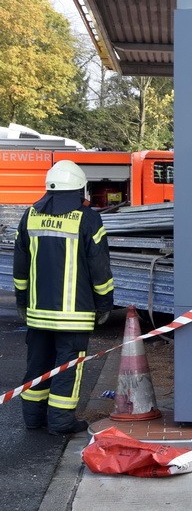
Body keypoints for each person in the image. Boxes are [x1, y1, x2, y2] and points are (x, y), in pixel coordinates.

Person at [13, 160, 114, 435]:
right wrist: (104, 303)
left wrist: (21, 300)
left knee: (38, 364)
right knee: (67, 367)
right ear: (81, 189)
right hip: (73, 315)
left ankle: (33, 418)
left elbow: (20, 265)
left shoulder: (30, 215)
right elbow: (99, 267)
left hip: (37, 312)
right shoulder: (88, 218)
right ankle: (60, 422)